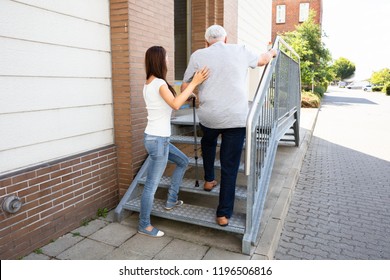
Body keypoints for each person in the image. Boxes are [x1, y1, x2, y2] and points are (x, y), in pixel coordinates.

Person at [181, 25, 277, 227]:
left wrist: (195, 95)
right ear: (226, 39)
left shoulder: (198, 55)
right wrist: (272, 51)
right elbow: (262, 60)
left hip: (209, 116)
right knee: (229, 165)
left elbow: (185, 86)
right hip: (235, 117)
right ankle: (223, 214)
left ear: (207, 42)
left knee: (208, 142)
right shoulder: (240, 50)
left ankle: (208, 180)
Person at [139, 46, 209, 238]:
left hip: (156, 138)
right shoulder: (159, 83)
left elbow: (170, 104)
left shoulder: (150, 83)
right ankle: (144, 224)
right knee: (151, 185)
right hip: (158, 141)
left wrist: (189, 95)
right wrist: (194, 82)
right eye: (167, 57)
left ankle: (171, 200)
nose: (169, 60)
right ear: (160, 60)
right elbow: (175, 104)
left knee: (182, 161)